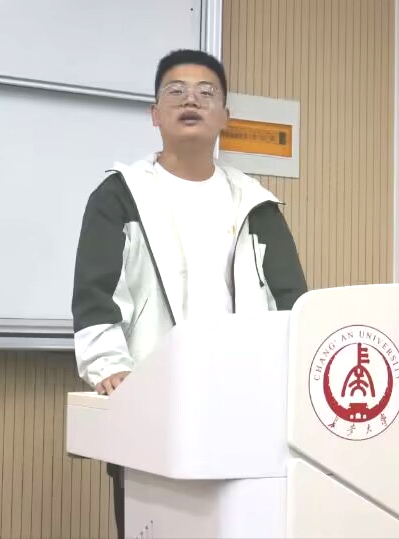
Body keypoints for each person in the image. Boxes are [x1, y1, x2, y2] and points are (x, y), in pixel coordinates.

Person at [70, 49, 308, 539]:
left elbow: (293, 304)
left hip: (246, 406)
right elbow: (94, 293)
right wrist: (108, 366)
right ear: (155, 114)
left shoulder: (257, 205)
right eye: (175, 92)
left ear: (225, 115)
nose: (190, 101)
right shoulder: (120, 195)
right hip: (152, 400)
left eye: (205, 93)